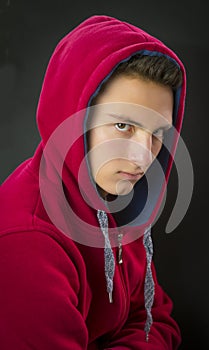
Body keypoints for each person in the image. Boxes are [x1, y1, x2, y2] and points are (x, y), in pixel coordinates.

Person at [0, 15, 186, 349]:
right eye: (122, 126)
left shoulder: (118, 200)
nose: (144, 158)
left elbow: (156, 319)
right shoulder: (25, 241)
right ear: (72, 117)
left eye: (157, 133)